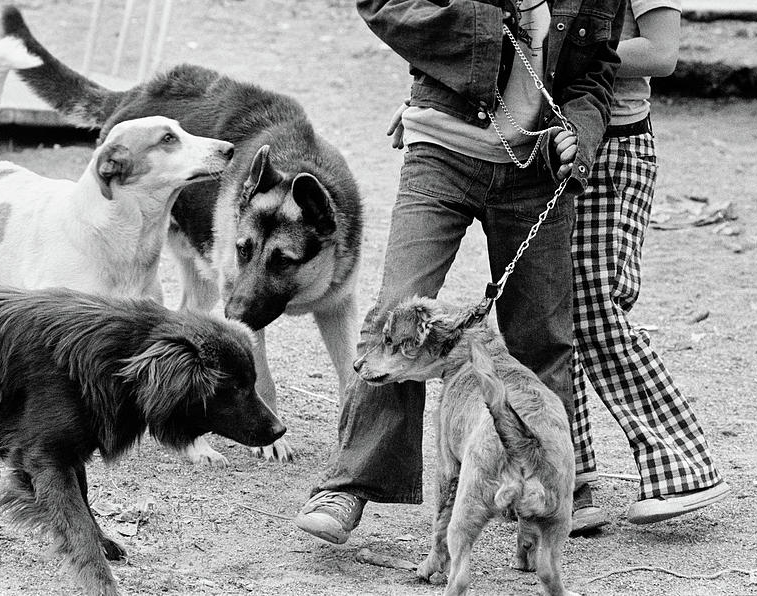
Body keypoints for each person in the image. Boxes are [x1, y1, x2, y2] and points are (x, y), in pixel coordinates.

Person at [293, 0, 626, 545]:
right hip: (441, 151)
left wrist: (580, 135)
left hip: (538, 171)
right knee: (395, 311)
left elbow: (593, 76)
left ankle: (547, 492)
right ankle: (351, 482)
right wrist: (493, 25)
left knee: (542, 333)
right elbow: (381, 6)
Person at [569, 0, 730, 532]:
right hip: (547, 144)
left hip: (615, 148)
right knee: (544, 313)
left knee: (596, 310)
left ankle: (683, 465)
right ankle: (568, 480)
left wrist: (563, 53)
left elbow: (661, 54)